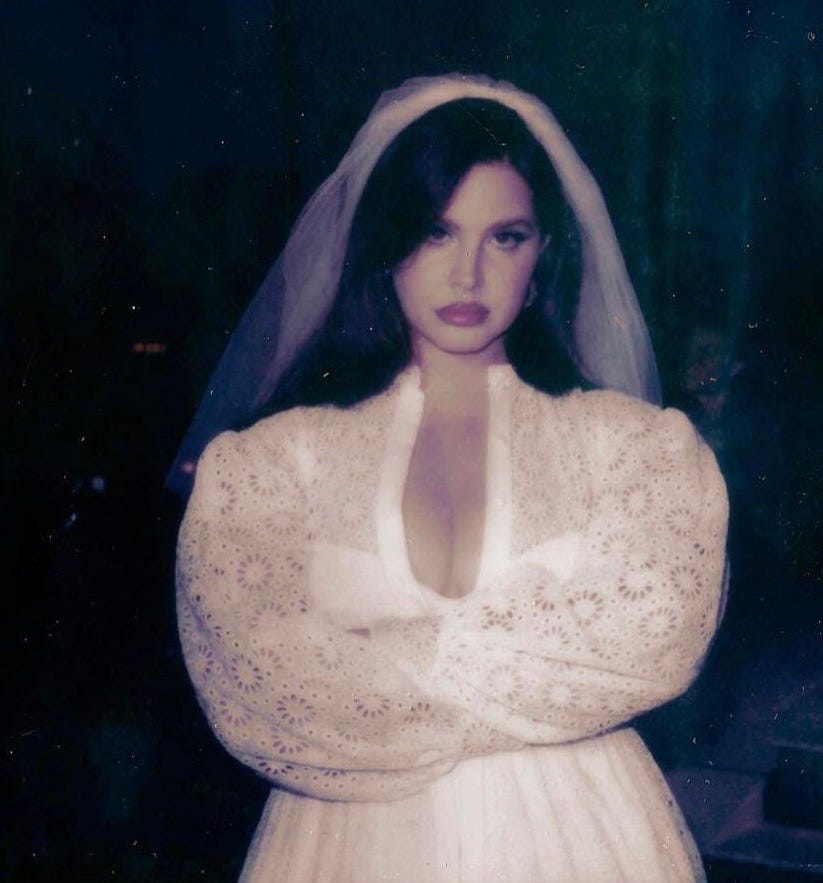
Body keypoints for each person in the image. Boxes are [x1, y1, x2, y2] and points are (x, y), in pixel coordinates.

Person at [173, 74, 728, 882]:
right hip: (346, 849)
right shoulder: (271, 464)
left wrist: (377, 665)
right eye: (435, 231)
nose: (467, 274)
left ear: (544, 253)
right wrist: (535, 668)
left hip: (583, 839)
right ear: (384, 242)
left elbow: (654, 645)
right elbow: (259, 697)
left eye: (505, 236)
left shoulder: (633, 448)